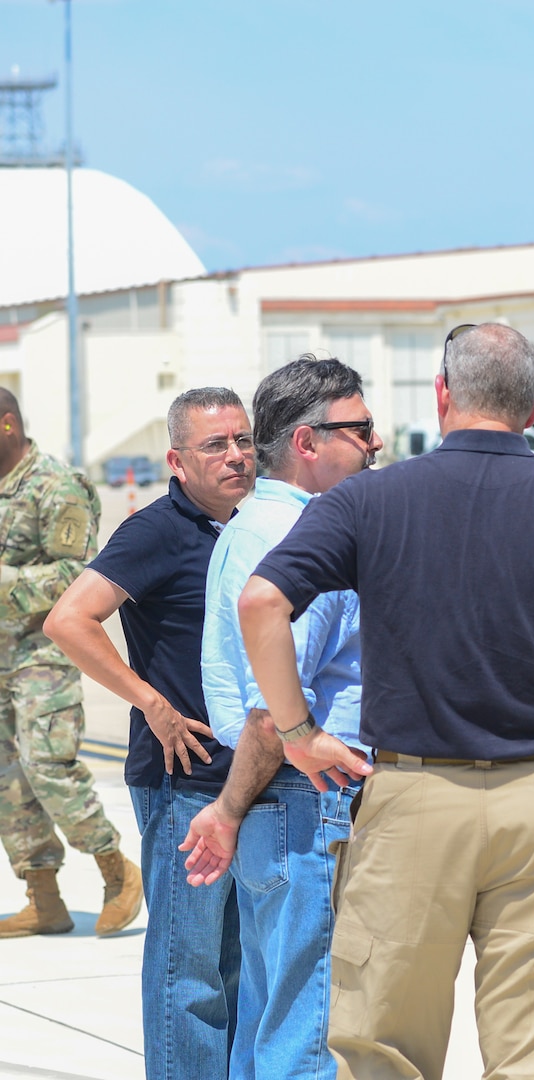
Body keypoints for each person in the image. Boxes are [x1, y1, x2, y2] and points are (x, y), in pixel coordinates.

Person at [236, 323, 534, 1079]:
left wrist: (297, 732)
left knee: (384, 1046)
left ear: (442, 394)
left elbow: (261, 603)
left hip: (413, 801)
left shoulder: (367, 499)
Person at [181, 357, 381, 1079]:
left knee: (271, 1020)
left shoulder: (253, 523)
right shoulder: (301, 536)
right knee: (310, 1030)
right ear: (306, 440)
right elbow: (276, 704)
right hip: (308, 797)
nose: (375, 442)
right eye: (358, 429)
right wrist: (232, 808)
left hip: (276, 800)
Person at [45, 388, 253, 1080]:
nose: (236, 456)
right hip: (185, 783)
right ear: (177, 460)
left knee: (238, 967)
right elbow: (69, 619)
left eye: (243, 440)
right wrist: (150, 703)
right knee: (188, 973)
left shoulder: (257, 526)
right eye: (215, 446)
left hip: (255, 783)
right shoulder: (156, 530)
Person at [0, 388, 142, 939]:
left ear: (8, 424)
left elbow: (80, 575)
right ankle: (44, 899)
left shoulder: (57, 486)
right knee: (8, 781)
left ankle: (115, 871)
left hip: (43, 654)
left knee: (47, 767)